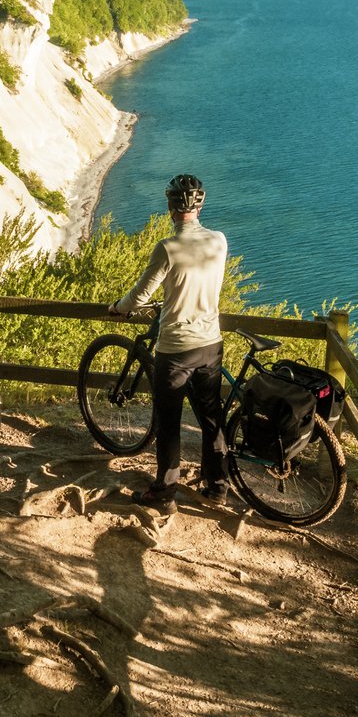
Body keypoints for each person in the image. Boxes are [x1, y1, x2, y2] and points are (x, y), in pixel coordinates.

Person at [107, 173, 229, 514]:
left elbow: (140, 296)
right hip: (211, 343)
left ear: (171, 208)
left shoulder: (167, 248)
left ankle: (164, 491)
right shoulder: (219, 241)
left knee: (169, 422)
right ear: (200, 205)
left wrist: (118, 308)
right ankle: (218, 486)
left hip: (175, 349)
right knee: (211, 417)